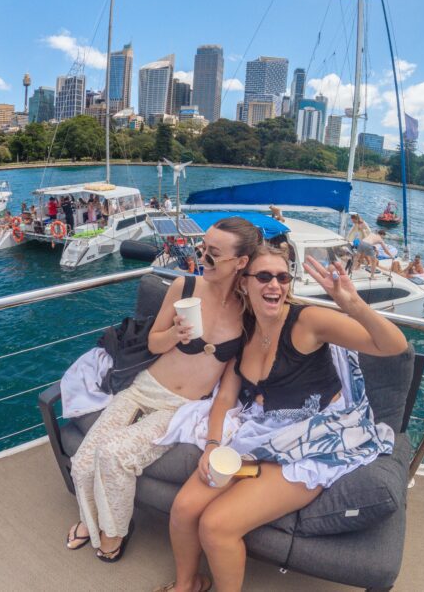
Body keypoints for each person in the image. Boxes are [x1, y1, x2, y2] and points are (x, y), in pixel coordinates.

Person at [160, 245, 407, 592]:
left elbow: (393, 346)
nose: (274, 284)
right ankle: (187, 585)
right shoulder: (246, 330)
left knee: (216, 526)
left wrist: (352, 305)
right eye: (264, 276)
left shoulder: (307, 321)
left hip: (310, 443)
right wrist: (212, 445)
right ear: (244, 283)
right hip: (262, 435)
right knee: (184, 508)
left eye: (282, 277)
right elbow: (227, 397)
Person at [65, 217, 262, 563]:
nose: (203, 259)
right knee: (82, 462)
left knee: (113, 455)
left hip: (181, 408)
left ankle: (112, 536)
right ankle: (89, 521)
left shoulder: (248, 314)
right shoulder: (184, 287)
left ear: (241, 262)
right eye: (203, 249)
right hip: (145, 388)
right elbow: (155, 343)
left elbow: (235, 373)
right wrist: (174, 335)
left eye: (214, 254)